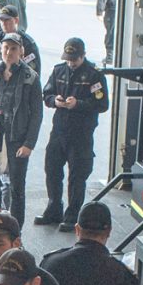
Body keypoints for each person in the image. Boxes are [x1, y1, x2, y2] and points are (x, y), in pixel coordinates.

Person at [36, 38, 108, 231]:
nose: (71, 62)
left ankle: (72, 214)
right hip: (59, 130)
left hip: (81, 134)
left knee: (77, 176)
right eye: (68, 59)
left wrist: (79, 104)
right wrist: (55, 101)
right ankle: (53, 208)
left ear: (83, 56)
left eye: (74, 59)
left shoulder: (94, 75)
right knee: (51, 170)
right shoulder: (59, 70)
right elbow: (47, 94)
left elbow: (102, 104)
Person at [0, 34, 41, 227]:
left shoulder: (30, 78)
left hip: (17, 140)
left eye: (13, 48)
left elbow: (37, 114)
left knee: (17, 189)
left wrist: (29, 144)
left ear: (21, 51)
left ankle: (16, 232)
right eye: (5, 48)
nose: (8, 52)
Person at [0, 4, 39, 74]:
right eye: (1, 20)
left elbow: (34, 71)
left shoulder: (28, 43)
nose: (4, 23)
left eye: (7, 20)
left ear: (16, 20)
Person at [96, 0, 116, 65]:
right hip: (124, 6)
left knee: (111, 34)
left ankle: (110, 57)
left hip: (112, 8)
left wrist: (99, 11)